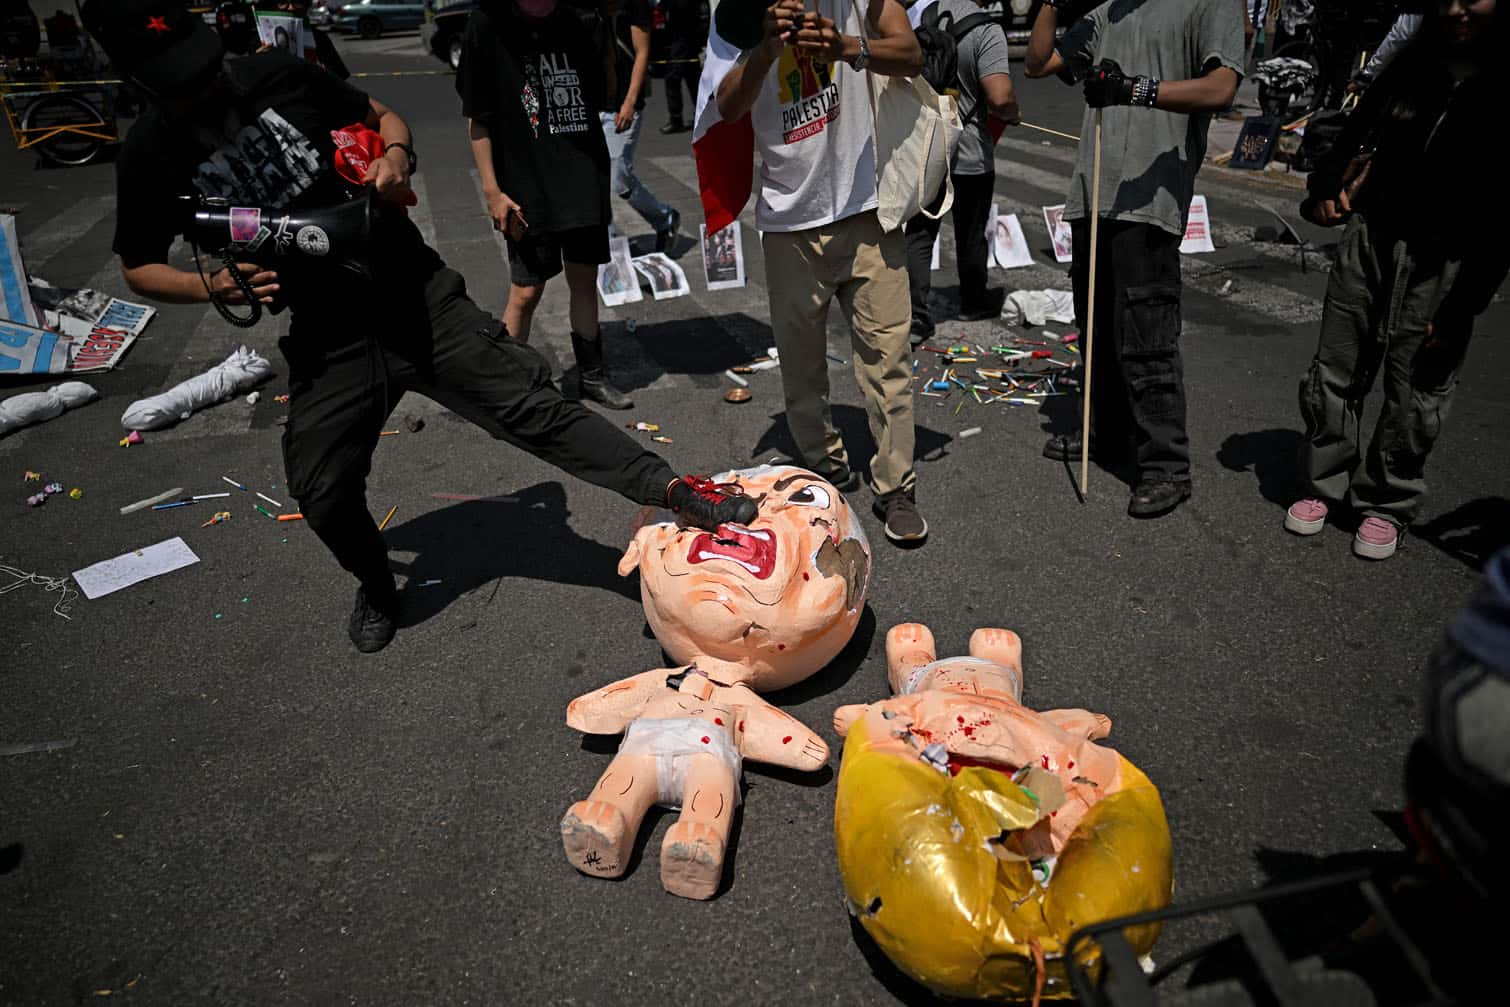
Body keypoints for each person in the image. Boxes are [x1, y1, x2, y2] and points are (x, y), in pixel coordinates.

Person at [86, 0, 759, 653]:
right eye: (185, 83)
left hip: (416, 292)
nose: (208, 86)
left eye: (207, 67)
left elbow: (384, 115)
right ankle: (377, 585)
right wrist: (212, 283)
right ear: (141, 83)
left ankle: (674, 488)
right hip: (329, 337)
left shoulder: (272, 73)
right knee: (321, 491)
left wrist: (396, 156)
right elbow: (139, 269)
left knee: (536, 411)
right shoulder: (148, 154)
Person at [1285, 0, 1507, 560]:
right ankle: (1324, 483)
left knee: (1418, 385)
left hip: (1450, 257)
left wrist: (1463, 307)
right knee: (1337, 364)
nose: (1456, 10)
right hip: (1374, 234)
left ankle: (1386, 500)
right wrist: (1326, 182)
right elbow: (1352, 129)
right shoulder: (1413, 63)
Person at [711, 0, 929, 544]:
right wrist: (765, 50)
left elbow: (911, 53)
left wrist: (848, 48)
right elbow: (728, 105)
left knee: (889, 358)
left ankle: (895, 485)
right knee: (802, 364)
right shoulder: (734, 11)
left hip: (869, 209)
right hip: (790, 223)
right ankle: (824, 467)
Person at [1025, 0, 1243, 519]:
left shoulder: (1210, 4)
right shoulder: (1107, 13)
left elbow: (1221, 88)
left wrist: (1135, 90)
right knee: (1097, 329)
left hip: (1151, 199)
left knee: (1147, 337)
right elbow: (1039, 63)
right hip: (1094, 193)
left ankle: (1165, 465)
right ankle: (1107, 434)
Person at [458, 0, 635, 410]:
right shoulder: (486, 24)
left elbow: (603, 91)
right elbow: (477, 118)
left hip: (580, 176)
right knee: (526, 289)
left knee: (583, 279)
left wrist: (608, 30)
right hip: (524, 185)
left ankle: (591, 377)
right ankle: (505, 384)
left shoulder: (580, 19)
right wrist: (491, 191)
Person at [901, 0, 1019, 346]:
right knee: (970, 231)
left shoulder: (928, 14)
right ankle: (973, 301)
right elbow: (1000, 97)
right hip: (969, 151)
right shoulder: (986, 29)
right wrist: (1012, 112)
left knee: (920, 233)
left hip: (928, 145)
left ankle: (916, 318)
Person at [602, 0, 682, 250]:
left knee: (617, 178)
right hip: (591, 102)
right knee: (594, 181)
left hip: (622, 104)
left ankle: (664, 217)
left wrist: (629, 101)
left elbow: (642, 52)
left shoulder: (634, 4)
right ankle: (609, 246)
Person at [657, 0, 707, 132]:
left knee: (673, 78)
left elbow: (680, 7)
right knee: (693, 79)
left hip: (683, 36)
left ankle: (676, 119)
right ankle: (703, 116)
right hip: (681, 36)